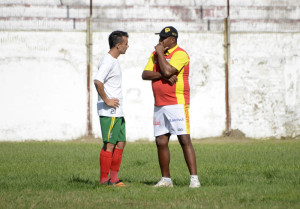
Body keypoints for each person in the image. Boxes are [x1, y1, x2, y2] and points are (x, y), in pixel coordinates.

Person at [142, 26, 200, 188]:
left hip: (177, 103)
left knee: (184, 139)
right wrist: (163, 74)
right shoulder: (154, 55)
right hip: (159, 104)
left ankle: (194, 180)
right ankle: (166, 180)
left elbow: (169, 71)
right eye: (159, 38)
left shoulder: (180, 54)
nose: (160, 41)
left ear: (173, 39)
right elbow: (145, 74)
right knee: (161, 141)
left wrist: (161, 55)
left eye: (163, 38)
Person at [94, 30, 129, 187]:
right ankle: (104, 181)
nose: (127, 46)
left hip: (117, 111)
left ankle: (114, 179)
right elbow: (97, 81)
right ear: (118, 45)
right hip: (109, 112)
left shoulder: (114, 61)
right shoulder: (108, 61)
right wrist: (106, 100)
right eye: (126, 43)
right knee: (109, 144)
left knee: (121, 143)